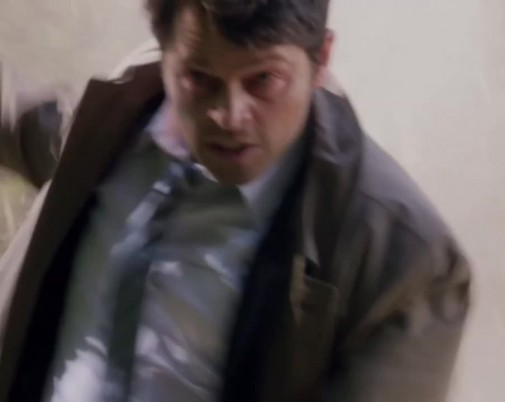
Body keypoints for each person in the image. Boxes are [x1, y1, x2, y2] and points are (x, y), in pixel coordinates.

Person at [0, 0, 471, 401]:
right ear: (165, 55)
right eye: (199, 78)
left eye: (264, 79)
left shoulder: (404, 262)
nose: (229, 115)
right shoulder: (111, 128)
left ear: (322, 59)